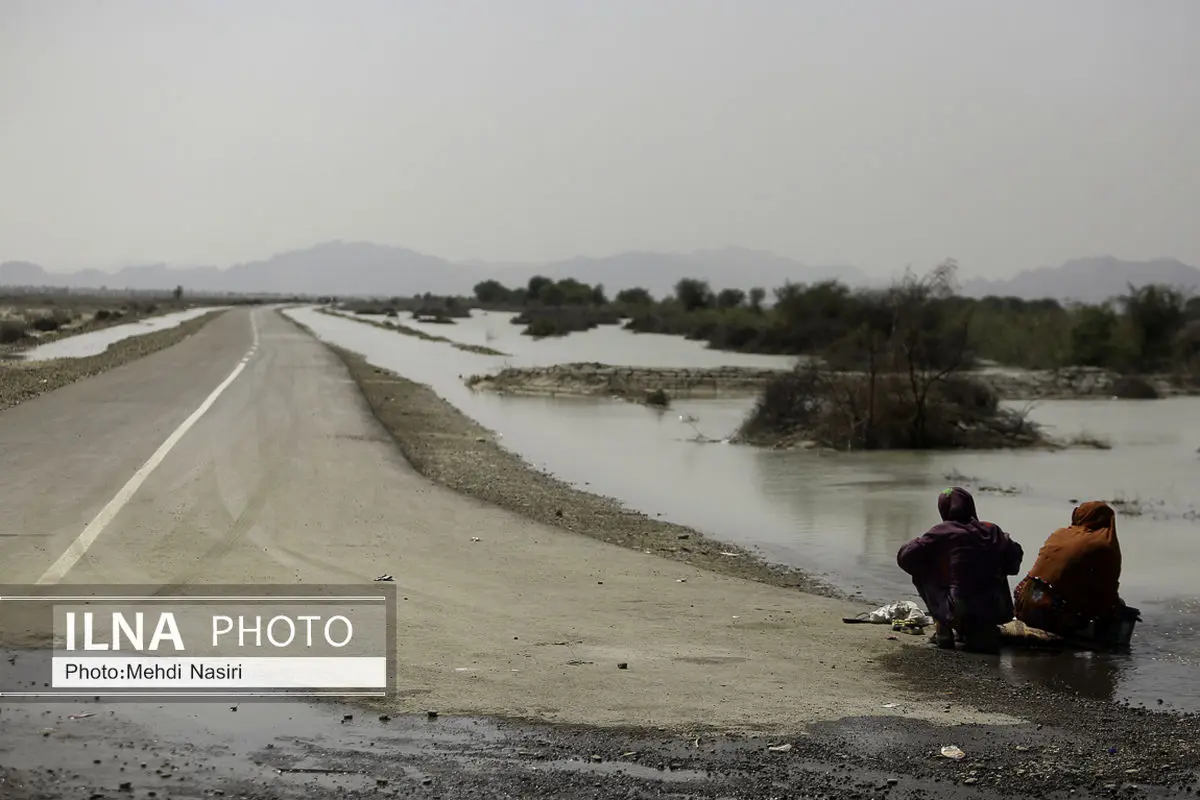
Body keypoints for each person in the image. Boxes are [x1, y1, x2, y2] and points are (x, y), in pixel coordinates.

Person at [897, 487, 1024, 653]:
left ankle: (943, 629)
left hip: (959, 610)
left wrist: (937, 564)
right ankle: (983, 629)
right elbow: (1014, 564)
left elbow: (906, 557)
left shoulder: (941, 532)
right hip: (998, 610)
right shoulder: (992, 531)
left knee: (921, 574)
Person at [1013, 501, 1124, 639]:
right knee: (1114, 606)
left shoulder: (1060, 534)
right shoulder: (1103, 545)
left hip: (1023, 603)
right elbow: (1108, 588)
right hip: (1052, 613)